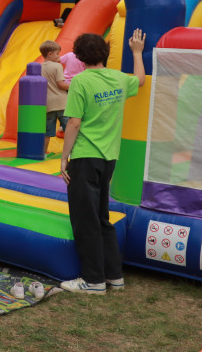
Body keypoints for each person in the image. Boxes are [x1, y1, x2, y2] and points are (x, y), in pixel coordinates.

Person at [60, 30, 146, 294]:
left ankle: (93, 280)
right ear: (105, 54)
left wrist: (64, 157)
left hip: (86, 157)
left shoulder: (81, 82)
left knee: (86, 220)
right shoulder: (119, 78)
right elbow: (141, 80)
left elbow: (74, 122)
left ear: (79, 57)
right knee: (102, 218)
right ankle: (114, 276)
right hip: (110, 158)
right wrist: (137, 52)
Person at [40, 40, 70, 154]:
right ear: (50, 54)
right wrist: (73, 86)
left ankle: (43, 153)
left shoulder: (39, 67)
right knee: (69, 129)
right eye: (57, 53)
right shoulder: (57, 66)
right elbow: (61, 84)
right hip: (62, 103)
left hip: (48, 104)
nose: (59, 56)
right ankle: (73, 154)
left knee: (47, 132)